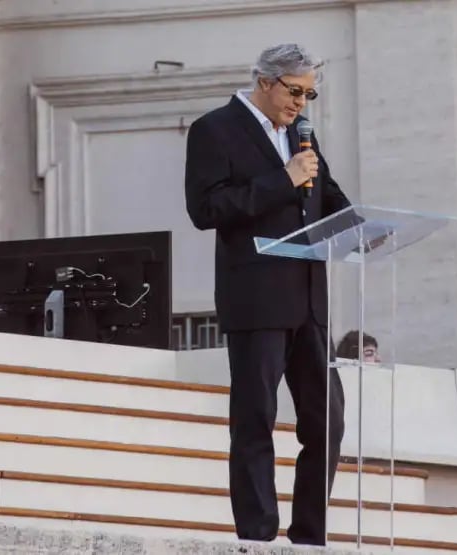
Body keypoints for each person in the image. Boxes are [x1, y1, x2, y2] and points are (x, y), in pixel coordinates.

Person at [184, 43, 351, 546]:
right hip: (256, 299)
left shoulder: (302, 135)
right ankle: (257, 536)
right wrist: (283, 179)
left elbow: (327, 195)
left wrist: (360, 225)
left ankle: (309, 537)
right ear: (265, 81)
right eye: (294, 91)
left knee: (328, 423)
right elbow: (206, 208)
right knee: (256, 420)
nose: (302, 103)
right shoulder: (215, 129)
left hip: (309, 301)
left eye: (310, 94)